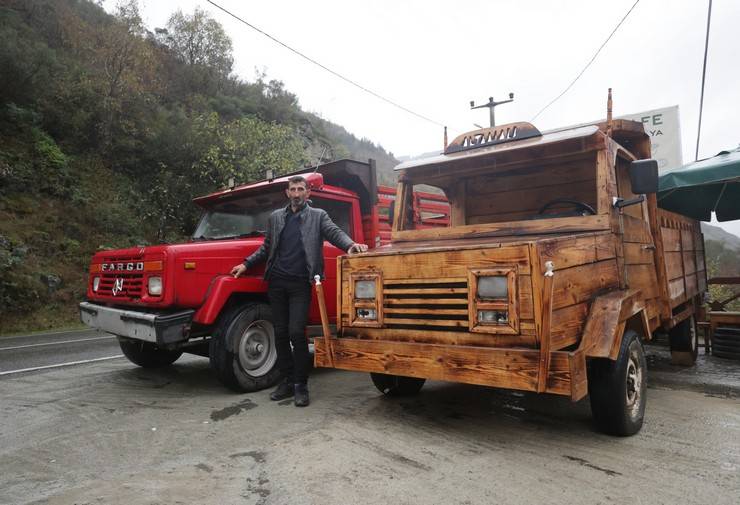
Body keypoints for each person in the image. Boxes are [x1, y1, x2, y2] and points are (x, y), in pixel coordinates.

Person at [230, 175, 368, 407]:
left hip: (300, 284)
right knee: (281, 334)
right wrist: (245, 264)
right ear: (287, 193)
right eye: (292, 189)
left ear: (307, 193)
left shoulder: (318, 216)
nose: (296, 193)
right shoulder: (275, 218)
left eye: (300, 189)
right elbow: (266, 248)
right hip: (276, 283)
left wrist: (350, 245)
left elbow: (334, 233)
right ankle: (286, 381)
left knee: (297, 333)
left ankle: (301, 385)